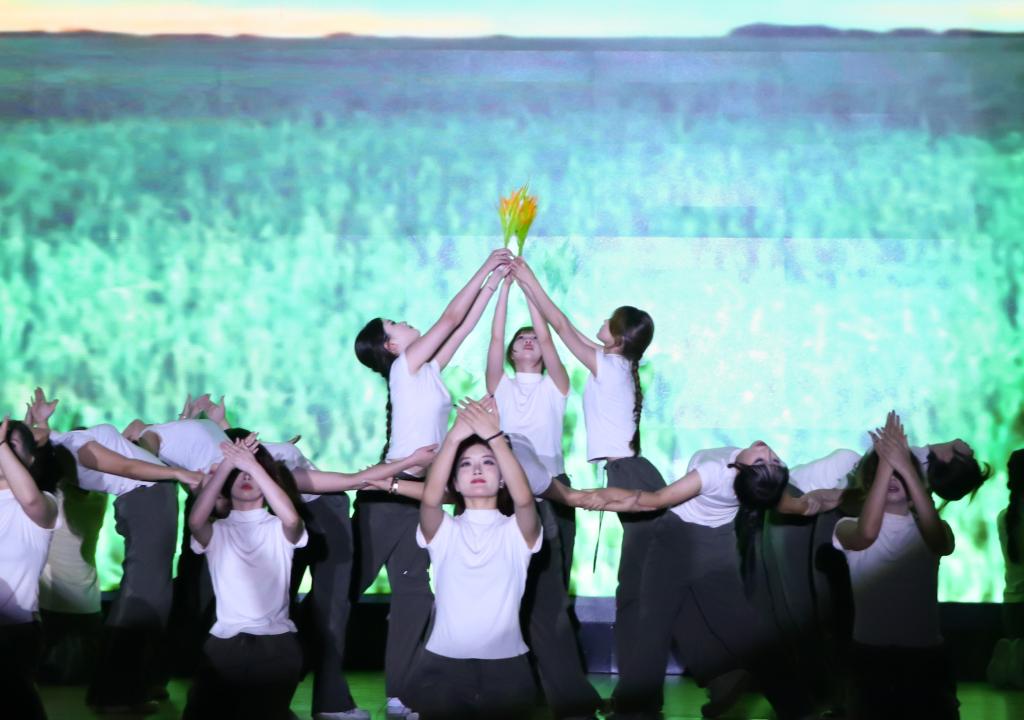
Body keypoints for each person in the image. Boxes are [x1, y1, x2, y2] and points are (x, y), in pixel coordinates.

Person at [353, 247, 511, 716]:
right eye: (395, 324)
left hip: (419, 499)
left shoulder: (427, 372)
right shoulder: (405, 368)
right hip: (386, 497)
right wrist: (485, 265)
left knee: (415, 596)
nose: (406, 322)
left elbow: (462, 327)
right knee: (345, 589)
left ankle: (399, 693)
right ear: (391, 347)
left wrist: (496, 284)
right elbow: (450, 318)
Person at [586, 442, 828, 719]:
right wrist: (838, 497)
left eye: (765, 462)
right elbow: (788, 502)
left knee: (654, 624)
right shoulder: (757, 481)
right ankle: (796, 707)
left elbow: (652, 500)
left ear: (740, 471)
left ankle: (635, 710)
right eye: (772, 460)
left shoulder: (714, 472)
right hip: (714, 545)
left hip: (676, 542)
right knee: (738, 628)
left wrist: (576, 497)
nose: (767, 452)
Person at [509, 256, 662, 692]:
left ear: (618, 338)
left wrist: (528, 278)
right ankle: (638, 693)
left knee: (636, 589)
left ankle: (639, 693)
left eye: (610, 321)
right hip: (629, 473)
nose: (602, 322)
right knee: (636, 587)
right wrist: (528, 289)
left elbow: (560, 325)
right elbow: (557, 327)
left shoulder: (609, 364)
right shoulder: (617, 365)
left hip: (630, 476)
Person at [485, 274, 601, 718]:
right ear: (512, 354)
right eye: (521, 340)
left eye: (533, 337)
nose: (529, 340)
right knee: (512, 591)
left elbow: (550, 338)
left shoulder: (557, 385)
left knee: (552, 594)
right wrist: (505, 289)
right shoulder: (500, 386)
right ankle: (520, 682)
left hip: (555, 490)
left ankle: (560, 690)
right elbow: (495, 337)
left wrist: (531, 291)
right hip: (511, 495)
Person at [264, 438, 436, 720]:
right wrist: (400, 470)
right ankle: (287, 690)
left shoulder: (265, 454)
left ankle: (398, 693)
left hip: (385, 494)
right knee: (330, 605)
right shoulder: (272, 469)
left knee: (412, 596)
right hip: (352, 504)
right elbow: (352, 480)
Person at [42, 412, 200, 712]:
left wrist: (170, 433)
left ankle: (138, 683)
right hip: (148, 499)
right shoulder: (74, 445)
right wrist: (179, 473)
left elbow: (133, 453)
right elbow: (128, 466)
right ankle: (115, 694)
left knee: (153, 597)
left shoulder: (64, 444)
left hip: (152, 497)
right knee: (144, 597)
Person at [405, 398, 542, 720]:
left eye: (488, 462)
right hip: (442, 667)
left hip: (508, 669)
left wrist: (495, 437)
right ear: (454, 481)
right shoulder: (445, 531)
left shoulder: (516, 532)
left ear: (503, 477)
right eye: (465, 464)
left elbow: (524, 500)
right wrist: (454, 437)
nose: (477, 470)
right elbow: (430, 499)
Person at [833, 412, 958, 720]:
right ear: (870, 482)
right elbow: (867, 534)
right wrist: (890, 463)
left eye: (901, 475)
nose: (891, 478)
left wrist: (902, 465)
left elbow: (938, 542)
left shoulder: (933, 528)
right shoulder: (846, 526)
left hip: (926, 657)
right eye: (882, 473)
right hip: (870, 656)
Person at [182, 438, 307, 720]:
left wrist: (252, 464)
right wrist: (228, 464)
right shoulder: (217, 530)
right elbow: (196, 522)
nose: (246, 477)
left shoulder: (278, 527)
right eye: (239, 473)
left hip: (276, 643)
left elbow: (292, 521)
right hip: (225, 644)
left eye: (251, 472)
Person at [0, 415, 60, 720]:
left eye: (12, 446)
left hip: (14, 632)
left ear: (31, 459)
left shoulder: (44, 502)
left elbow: (30, 499)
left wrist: (2, 445)